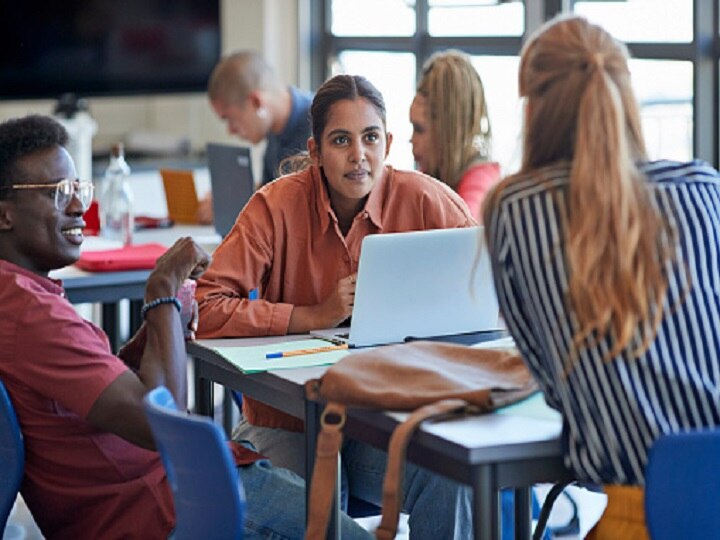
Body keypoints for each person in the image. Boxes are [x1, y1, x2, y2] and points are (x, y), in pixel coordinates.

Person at [0, 115, 370, 540]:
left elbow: (102, 390)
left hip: (151, 494)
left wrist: (159, 328)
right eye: (57, 193)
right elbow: (165, 422)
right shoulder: (32, 314)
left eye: (78, 190)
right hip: (170, 503)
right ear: (5, 216)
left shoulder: (19, 297)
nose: (79, 207)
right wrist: (162, 293)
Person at [196, 74, 476, 538]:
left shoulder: (430, 202)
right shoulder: (275, 206)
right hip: (289, 420)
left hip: (383, 422)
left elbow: (487, 295)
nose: (358, 155)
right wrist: (308, 317)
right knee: (310, 511)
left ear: (387, 143)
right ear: (315, 151)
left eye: (370, 139)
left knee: (450, 477)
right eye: (340, 141)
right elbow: (206, 307)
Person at [482, 15, 720, 539]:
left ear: (534, 106)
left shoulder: (517, 207)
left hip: (651, 513)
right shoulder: (705, 187)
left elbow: (551, 381)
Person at [198, 51, 313, 223]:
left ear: (256, 102)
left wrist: (239, 207)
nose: (231, 130)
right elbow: (272, 192)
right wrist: (229, 202)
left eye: (231, 119)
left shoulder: (320, 124)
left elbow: (305, 208)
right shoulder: (274, 131)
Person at [410, 49, 500, 217]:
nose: (411, 140)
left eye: (419, 129)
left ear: (446, 131)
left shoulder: (481, 184)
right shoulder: (430, 176)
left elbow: (464, 232)